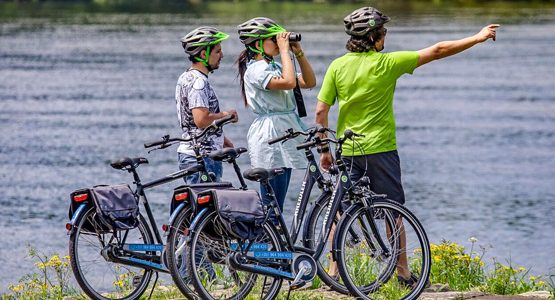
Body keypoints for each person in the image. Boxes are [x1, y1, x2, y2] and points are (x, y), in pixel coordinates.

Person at [316, 7, 499, 287]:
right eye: (384, 32)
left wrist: (325, 150)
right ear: (375, 37)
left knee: (336, 209)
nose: (385, 36)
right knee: (393, 210)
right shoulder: (387, 63)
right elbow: (437, 50)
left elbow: (321, 111)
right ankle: (403, 274)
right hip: (381, 149)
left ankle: (334, 271)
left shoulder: (337, 66)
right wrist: (477, 37)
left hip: (348, 150)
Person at [236, 17, 316, 220]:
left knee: (276, 204)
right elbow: (289, 82)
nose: (279, 41)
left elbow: (309, 81)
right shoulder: (256, 69)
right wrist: (283, 50)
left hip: (284, 131)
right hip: (271, 135)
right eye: (273, 38)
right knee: (272, 206)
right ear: (257, 44)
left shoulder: (275, 67)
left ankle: (272, 248)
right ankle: (268, 249)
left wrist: (298, 53)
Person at [176, 26, 238, 184]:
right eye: (217, 51)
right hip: (203, 157)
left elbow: (192, 125)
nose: (222, 55)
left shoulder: (185, 77)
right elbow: (201, 119)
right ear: (204, 54)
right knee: (209, 207)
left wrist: (222, 140)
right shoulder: (199, 82)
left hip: (193, 153)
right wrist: (227, 115)